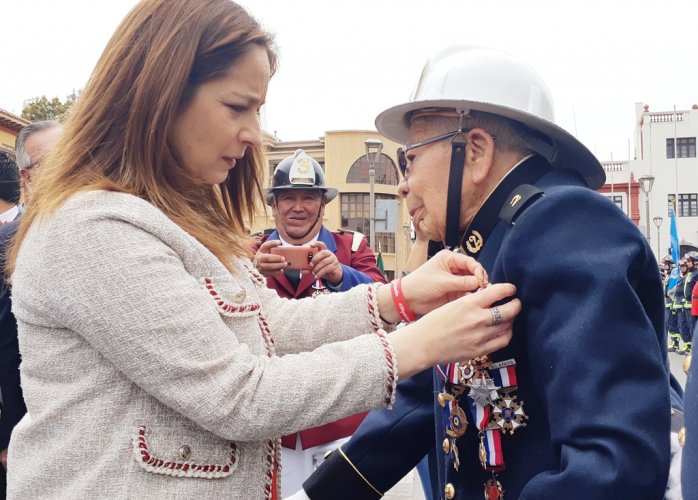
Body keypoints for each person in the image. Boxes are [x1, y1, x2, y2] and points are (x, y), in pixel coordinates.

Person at [3, 5, 522, 499]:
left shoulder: (173, 220)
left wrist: (400, 298)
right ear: (159, 93)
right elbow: (238, 394)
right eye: (237, 106)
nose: (253, 133)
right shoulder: (94, 228)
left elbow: (269, 325)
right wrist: (419, 344)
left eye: (257, 109)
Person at [301, 45, 681, 499]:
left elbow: (612, 467)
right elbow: (427, 398)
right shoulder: (488, 241)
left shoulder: (564, 223)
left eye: (411, 159)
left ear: (476, 152)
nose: (402, 183)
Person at [252, 149, 386, 496]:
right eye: (288, 198)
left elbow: (384, 301)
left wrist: (343, 275)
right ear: (274, 206)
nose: (298, 207)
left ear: (322, 205)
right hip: (276, 426)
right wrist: (249, 273)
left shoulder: (352, 247)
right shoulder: (248, 251)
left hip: (338, 423)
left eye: (308, 197)